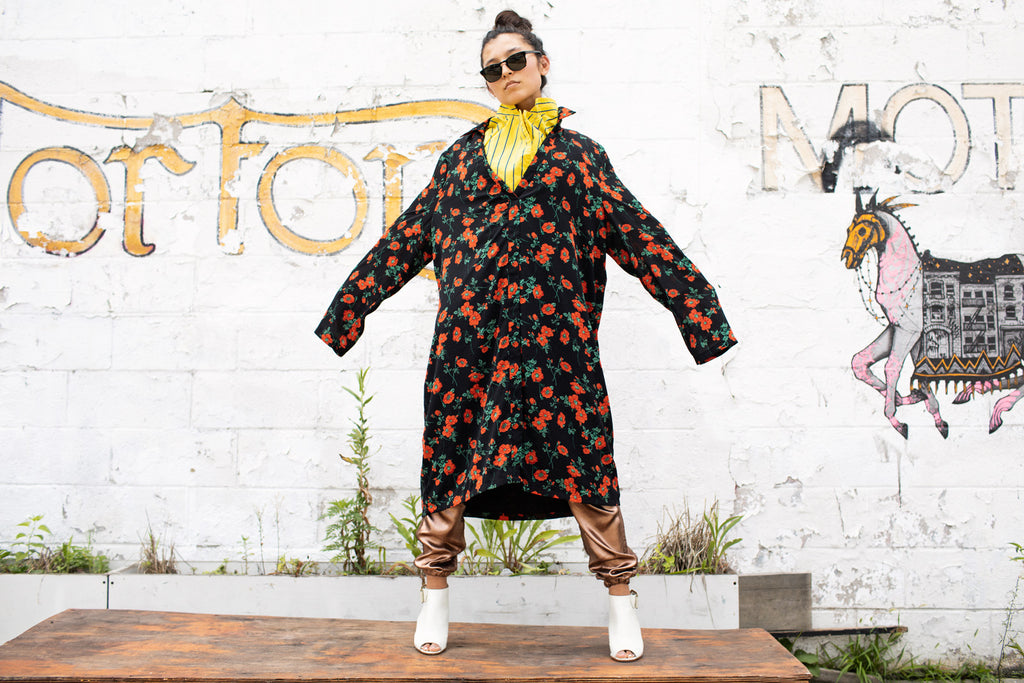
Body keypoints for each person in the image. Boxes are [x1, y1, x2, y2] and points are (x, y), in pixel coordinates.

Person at [315, 9, 737, 662]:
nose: (506, 73)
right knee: (448, 471)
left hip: (557, 352)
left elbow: (640, 235)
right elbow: (405, 241)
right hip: (468, 354)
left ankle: (621, 601)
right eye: (493, 68)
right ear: (486, 82)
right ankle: (434, 597)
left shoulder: (578, 158)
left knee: (588, 472)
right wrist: (349, 310)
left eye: (516, 60)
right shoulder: (460, 161)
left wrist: (698, 315)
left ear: (542, 64)